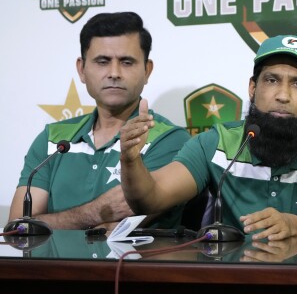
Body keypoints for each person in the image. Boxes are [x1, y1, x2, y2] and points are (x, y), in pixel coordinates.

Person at [119, 35, 297, 241]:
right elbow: (150, 198)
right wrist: (131, 162)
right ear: (253, 88)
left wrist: (293, 225)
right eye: (272, 80)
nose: (283, 95)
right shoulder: (217, 143)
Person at [8, 12, 191, 230]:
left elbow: (115, 228)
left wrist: (47, 222)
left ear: (147, 70)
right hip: (48, 265)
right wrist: (96, 211)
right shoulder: (53, 138)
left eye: (127, 62)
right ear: (82, 69)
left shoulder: (169, 139)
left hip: (128, 264)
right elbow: (18, 227)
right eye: (102, 62)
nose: (114, 73)